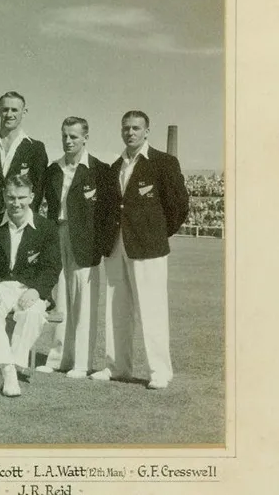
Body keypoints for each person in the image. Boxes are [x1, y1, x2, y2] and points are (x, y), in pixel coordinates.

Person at [91, 110, 189, 390]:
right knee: (116, 308)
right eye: (126, 128)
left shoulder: (163, 163)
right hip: (116, 245)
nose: (130, 133)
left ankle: (159, 371)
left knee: (152, 309)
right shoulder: (114, 167)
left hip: (149, 248)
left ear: (147, 131)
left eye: (136, 128)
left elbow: (179, 206)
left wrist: (157, 233)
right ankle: (117, 366)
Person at [0, 174, 61, 396]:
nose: (16, 203)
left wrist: (37, 290)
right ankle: (10, 371)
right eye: (11, 197)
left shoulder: (46, 228)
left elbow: (52, 267)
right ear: (4, 196)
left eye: (21, 197)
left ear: (32, 197)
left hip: (29, 288)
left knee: (32, 313)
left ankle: (2, 372)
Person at [39, 117, 110, 377]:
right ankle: (58, 358)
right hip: (57, 234)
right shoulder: (53, 169)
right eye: (65, 136)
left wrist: (99, 244)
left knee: (84, 302)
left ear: (85, 138)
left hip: (86, 242)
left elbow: (106, 213)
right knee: (61, 300)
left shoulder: (99, 169)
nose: (68, 141)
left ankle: (82, 362)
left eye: (74, 137)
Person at [0, 91, 49, 222]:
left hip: (19, 220)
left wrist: (26, 219)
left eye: (14, 110)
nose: (9, 114)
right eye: (5, 110)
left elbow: (38, 190)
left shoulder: (35, 148)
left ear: (24, 112)